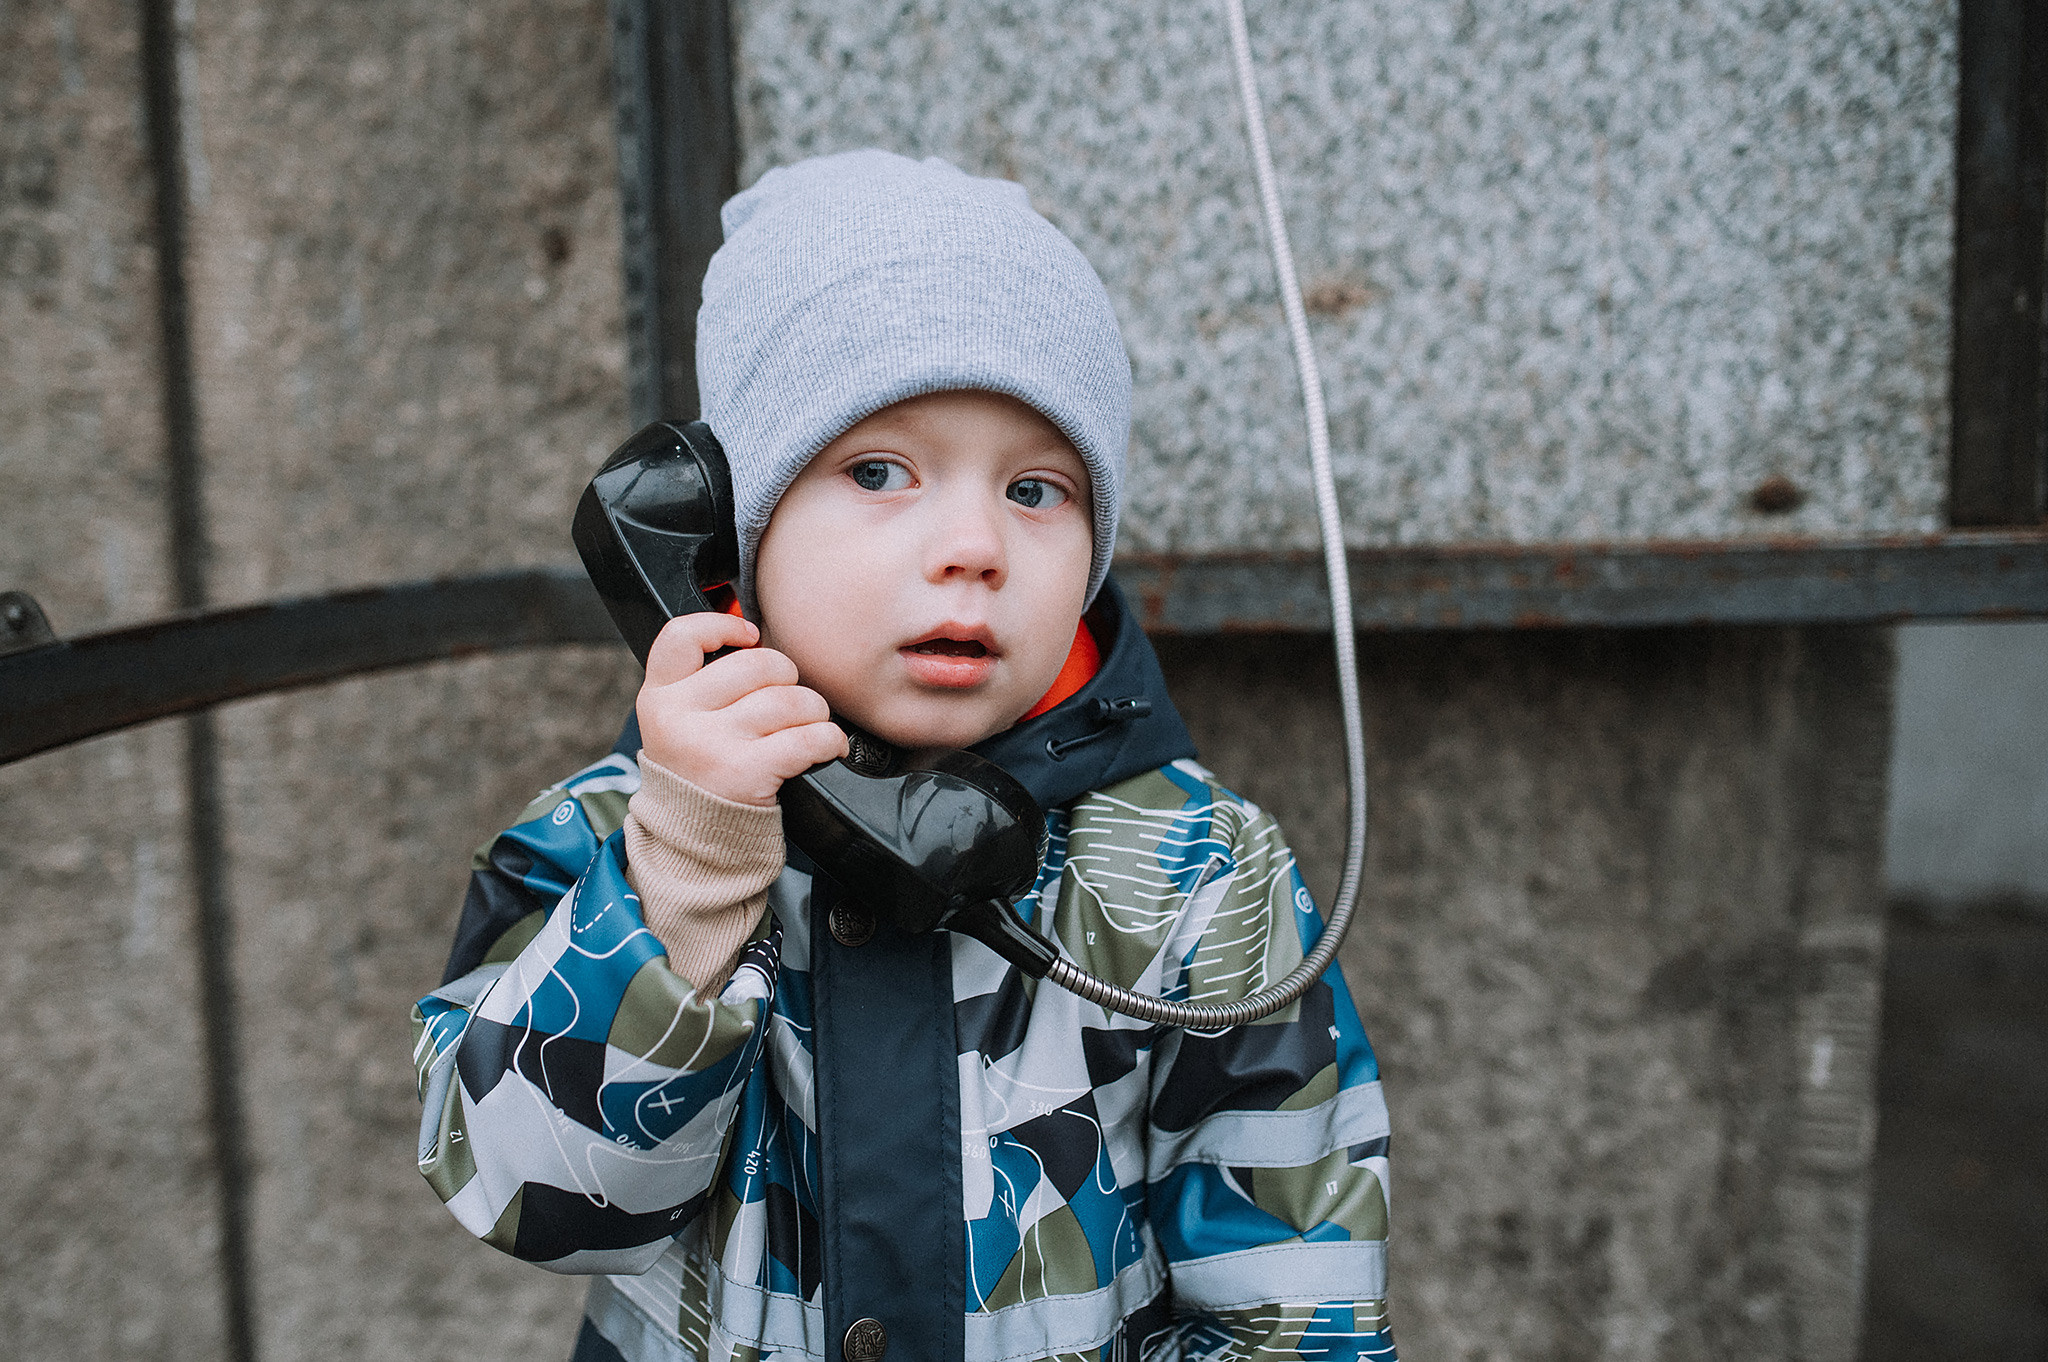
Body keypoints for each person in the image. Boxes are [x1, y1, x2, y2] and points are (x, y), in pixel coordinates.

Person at [412, 150, 1396, 1362]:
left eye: (1037, 489)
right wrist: (681, 885)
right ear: (730, 538)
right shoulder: (603, 840)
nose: (974, 545)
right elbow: (534, 1200)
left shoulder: (1199, 878)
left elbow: (1292, 1298)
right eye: (879, 471)